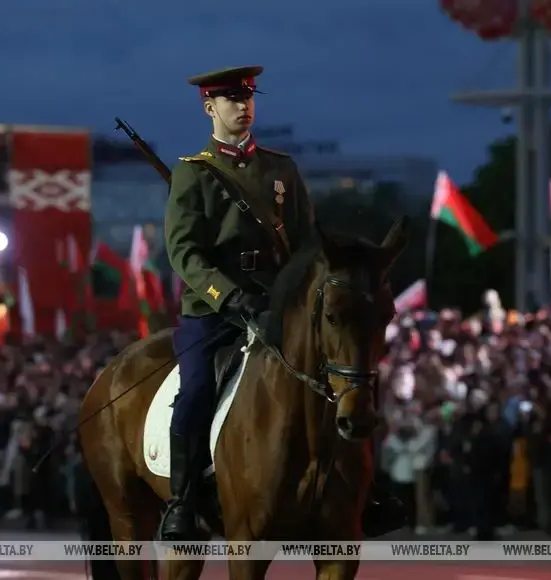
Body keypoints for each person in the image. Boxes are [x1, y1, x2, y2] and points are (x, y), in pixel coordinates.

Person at [162, 65, 407, 541]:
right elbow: (184, 252)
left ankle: (366, 492)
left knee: (350, 382)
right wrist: (229, 296)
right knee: (193, 395)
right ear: (209, 107)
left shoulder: (281, 169)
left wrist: (298, 295)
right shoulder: (192, 173)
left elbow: (304, 246)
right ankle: (183, 501)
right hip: (215, 312)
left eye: (249, 96)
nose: (243, 105)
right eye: (232, 98)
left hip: (278, 308)